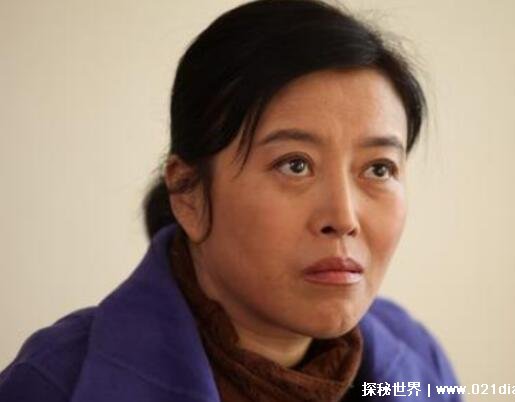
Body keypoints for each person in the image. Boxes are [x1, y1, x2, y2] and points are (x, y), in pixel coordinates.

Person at [0, 0, 461, 401]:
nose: (342, 217)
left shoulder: (419, 363)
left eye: (378, 169)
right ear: (189, 194)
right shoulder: (53, 383)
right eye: (294, 165)